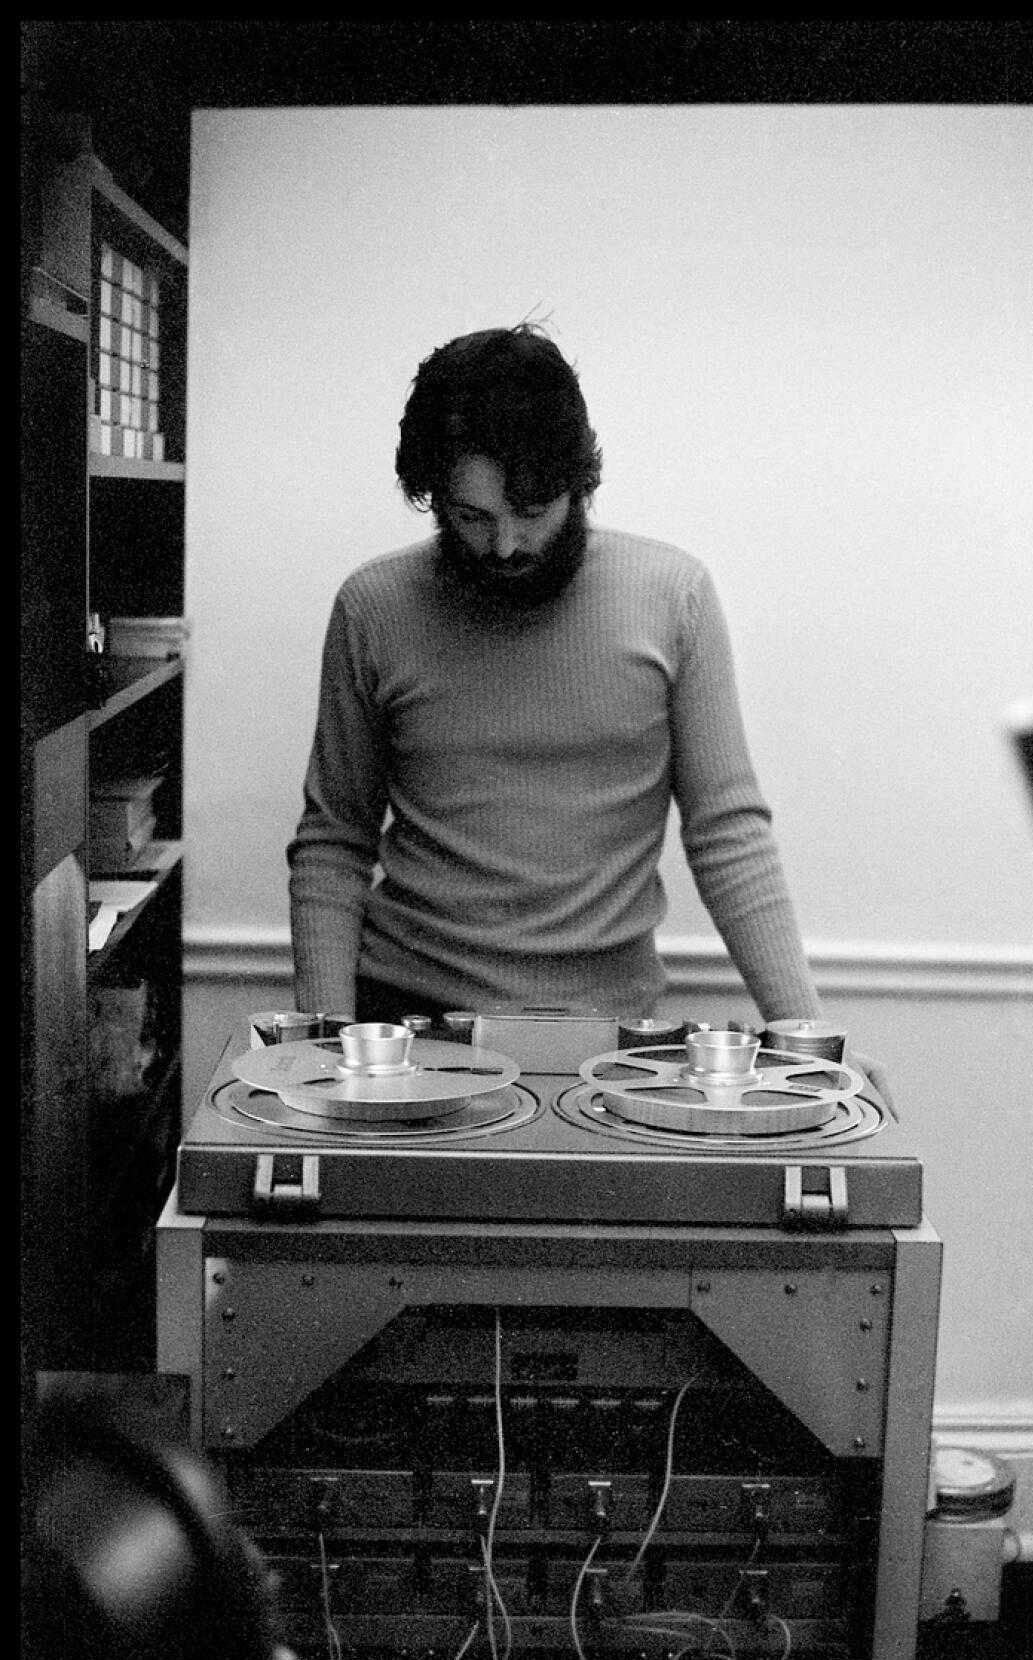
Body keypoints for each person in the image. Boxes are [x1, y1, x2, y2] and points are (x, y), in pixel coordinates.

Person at [288, 325, 893, 1109]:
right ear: (434, 496)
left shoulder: (673, 598)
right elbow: (333, 842)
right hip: (408, 1029)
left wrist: (811, 1043)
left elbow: (728, 831)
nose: (506, 543)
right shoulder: (373, 608)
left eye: (532, 510)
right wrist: (327, 1046)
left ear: (581, 484)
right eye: (472, 517)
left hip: (610, 1043)